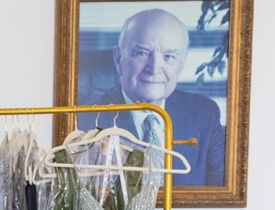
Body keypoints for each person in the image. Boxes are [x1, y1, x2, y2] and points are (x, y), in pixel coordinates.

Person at [77, 8, 225, 186]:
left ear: (181, 64)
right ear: (118, 59)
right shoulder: (84, 121)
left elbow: (220, 198)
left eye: (169, 56)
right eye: (142, 53)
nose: (154, 68)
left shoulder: (204, 114)